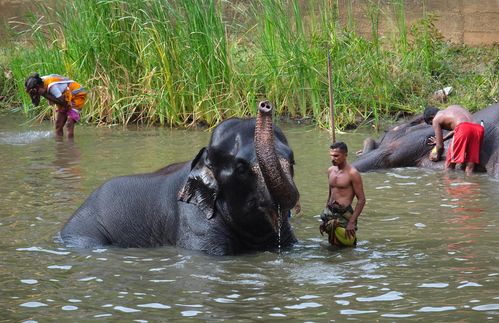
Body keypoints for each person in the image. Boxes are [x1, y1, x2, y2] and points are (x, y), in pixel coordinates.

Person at [319, 141, 366, 247]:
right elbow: (330, 194)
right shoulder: (330, 171)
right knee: (332, 245)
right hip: (330, 213)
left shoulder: (353, 174)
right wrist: (325, 220)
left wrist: (351, 222)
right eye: (331, 155)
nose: (333, 158)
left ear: (345, 155)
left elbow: (362, 199)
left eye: (336, 156)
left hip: (344, 215)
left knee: (347, 247)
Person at [423, 105, 484, 175]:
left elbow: (440, 146)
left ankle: (448, 184)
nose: (432, 124)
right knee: (470, 165)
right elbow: (461, 126)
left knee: (449, 164)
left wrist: (436, 155)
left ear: (431, 117)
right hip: (478, 128)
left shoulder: (436, 119)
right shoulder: (453, 108)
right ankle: (469, 182)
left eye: (431, 123)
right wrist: (444, 139)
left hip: (463, 128)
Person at [25, 73, 87, 138]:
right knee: (58, 125)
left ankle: (70, 146)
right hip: (64, 96)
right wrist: (32, 95)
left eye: (34, 90)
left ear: (38, 86)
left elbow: (62, 102)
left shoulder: (52, 86)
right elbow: (36, 104)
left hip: (77, 94)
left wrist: (45, 94)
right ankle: (60, 146)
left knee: (69, 123)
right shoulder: (38, 84)